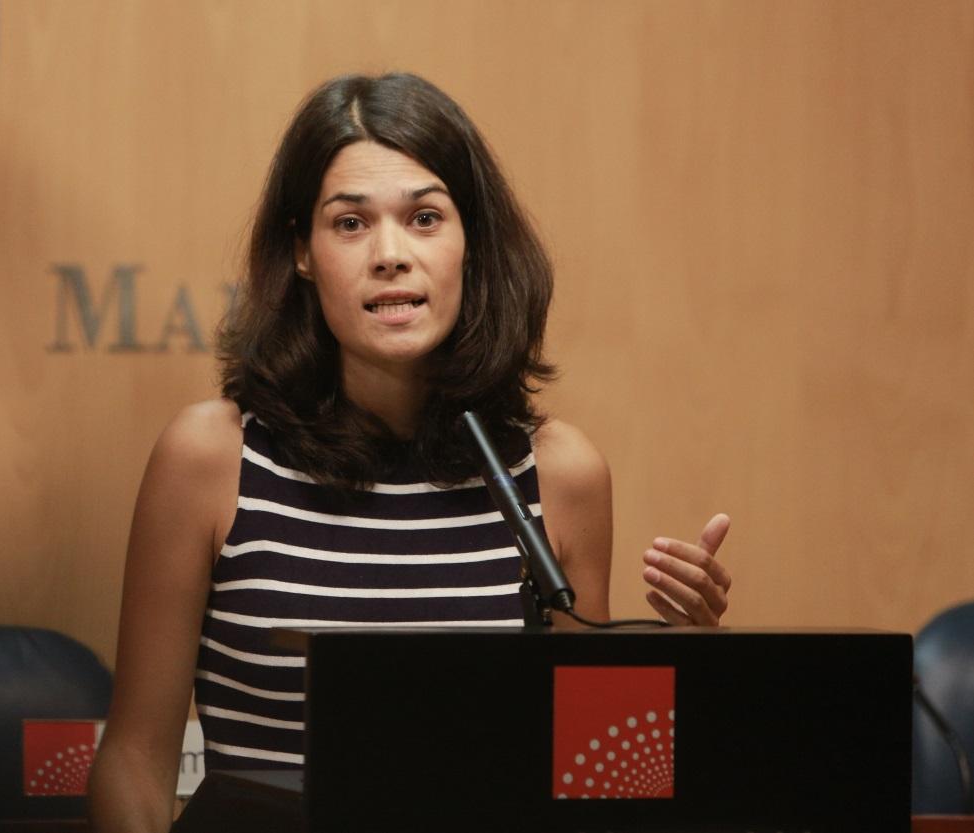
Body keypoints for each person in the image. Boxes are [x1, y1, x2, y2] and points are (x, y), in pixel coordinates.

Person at [88, 72, 732, 833]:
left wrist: (689, 664)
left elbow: (581, 777)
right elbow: (135, 758)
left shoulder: (558, 474)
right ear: (302, 252)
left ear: (471, 245)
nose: (390, 255)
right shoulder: (211, 459)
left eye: (425, 217)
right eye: (350, 224)